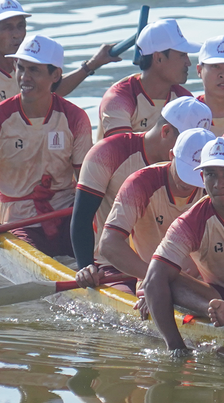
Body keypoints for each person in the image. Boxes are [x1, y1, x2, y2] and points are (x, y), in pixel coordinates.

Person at [0, 0, 118, 213]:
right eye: (8, 28)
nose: (17, 34)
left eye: (20, 26)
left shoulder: (22, 64)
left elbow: (49, 91)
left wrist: (93, 64)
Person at [0, 34, 93, 256]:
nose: (24, 78)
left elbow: (88, 183)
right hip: (18, 223)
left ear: (56, 75)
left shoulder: (75, 118)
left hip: (67, 216)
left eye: (34, 71)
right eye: (20, 68)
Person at [145, 137, 224, 353]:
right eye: (211, 174)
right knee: (164, 278)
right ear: (202, 177)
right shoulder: (191, 222)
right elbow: (152, 281)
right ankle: (217, 311)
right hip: (220, 298)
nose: (218, 183)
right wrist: (176, 347)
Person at [71, 97, 212, 289]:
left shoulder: (202, 166)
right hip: (115, 263)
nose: (191, 151)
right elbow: (82, 217)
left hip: (178, 266)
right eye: (186, 142)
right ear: (166, 131)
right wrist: (86, 268)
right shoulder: (108, 152)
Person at [97, 128, 215, 288]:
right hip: (152, 283)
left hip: (204, 281)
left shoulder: (218, 187)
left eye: (199, 173)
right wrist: (157, 277)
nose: (188, 182)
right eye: (185, 170)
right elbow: (108, 244)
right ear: (171, 155)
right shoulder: (140, 184)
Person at [96, 19, 198, 140]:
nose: (188, 63)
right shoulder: (119, 99)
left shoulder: (184, 99)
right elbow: (122, 153)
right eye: (182, 55)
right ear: (158, 58)